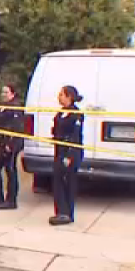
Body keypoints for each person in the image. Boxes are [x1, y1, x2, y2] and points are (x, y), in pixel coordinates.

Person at [0, 84, 25, 209]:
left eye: (6, 92)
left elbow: (16, 127)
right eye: (2, 92)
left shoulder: (15, 107)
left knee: (10, 170)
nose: (3, 95)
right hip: (2, 141)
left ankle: (11, 201)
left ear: (12, 94)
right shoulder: (3, 107)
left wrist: (10, 144)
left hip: (12, 143)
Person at [50, 85, 84, 226]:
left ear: (69, 96)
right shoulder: (61, 113)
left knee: (68, 182)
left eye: (61, 95)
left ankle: (67, 213)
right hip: (59, 151)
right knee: (58, 181)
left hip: (71, 153)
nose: (59, 97)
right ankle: (60, 211)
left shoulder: (76, 114)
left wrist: (69, 156)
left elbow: (75, 136)